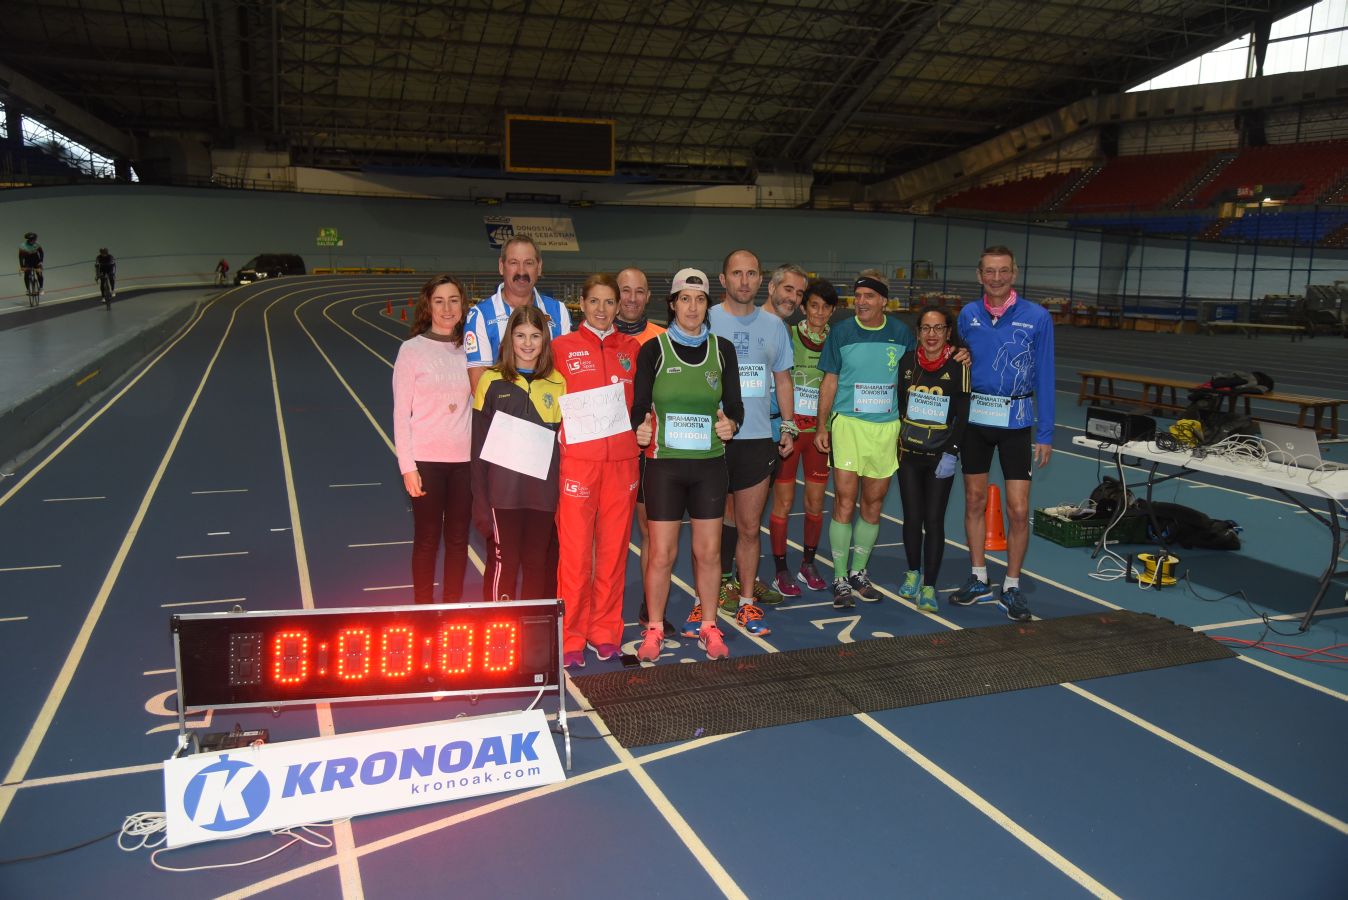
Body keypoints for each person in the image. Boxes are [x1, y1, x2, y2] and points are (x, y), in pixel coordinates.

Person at [630, 268, 743, 662]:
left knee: (708, 553)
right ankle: (655, 628)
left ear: (706, 305)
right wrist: (639, 428)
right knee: (661, 553)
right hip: (664, 466)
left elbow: (735, 406)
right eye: (684, 299)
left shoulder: (723, 350)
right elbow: (639, 406)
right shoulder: (653, 351)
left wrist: (733, 424)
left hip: (710, 465)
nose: (692, 307)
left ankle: (709, 625)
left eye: (699, 300)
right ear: (673, 304)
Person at [950, 246, 1055, 622]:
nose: (997, 277)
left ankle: (1011, 585)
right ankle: (978, 576)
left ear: (1014, 273)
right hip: (975, 422)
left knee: (1018, 509)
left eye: (1004, 271)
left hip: (1016, 422)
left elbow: (1045, 373)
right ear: (979, 275)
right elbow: (957, 363)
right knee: (975, 501)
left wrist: (1045, 432)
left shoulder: (1037, 317)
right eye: (990, 271)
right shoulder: (968, 315)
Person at [552, 273, 641, 669]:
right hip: (578, 465)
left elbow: (643, 404)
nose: (602, 310)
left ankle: (605, 631)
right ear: (582, 305)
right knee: (574, 556)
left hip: (622, 464)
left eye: (610, 302)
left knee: (613, 552)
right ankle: (570, 635)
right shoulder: (561, 348)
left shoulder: (632, 348)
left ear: (618, 306)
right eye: (595, 302)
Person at [706, 249, 794, 637]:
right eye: (737, 273)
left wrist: (788, 426)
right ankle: (705, 602)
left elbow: (783, 379)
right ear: (723, 280)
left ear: (761, 280)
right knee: (710, 527)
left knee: (747, 526)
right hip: (710, 438)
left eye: (752, 273)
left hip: (757, 439)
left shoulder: (775, 326)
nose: (744, 280)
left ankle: (745, 602)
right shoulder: (706, 318)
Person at [814, 270, 914, 609]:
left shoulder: (901, 333)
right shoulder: (841, 333)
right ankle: (840, 577)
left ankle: (859, 571)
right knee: (844, 500)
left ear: (883, 301)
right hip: (848, 426)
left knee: (873, 503)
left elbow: (916, 375)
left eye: (868, 297)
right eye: (857, 297)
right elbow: (829, 382)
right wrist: (821, 425)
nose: (860, 302)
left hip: (886, 429)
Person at [471, 305, 566, 603]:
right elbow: (477, 450)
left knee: (537, 565)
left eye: (535, 336)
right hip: (503, 497)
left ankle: (533, 637)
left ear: (545, 340)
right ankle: (500, 637)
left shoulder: (559, 383)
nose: (527, 343)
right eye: (521, 335)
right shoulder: (491, 380)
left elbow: (565, 445)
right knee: (504, 563)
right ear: (509, 339)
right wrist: (481, 502)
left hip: (542, 497)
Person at [393, 275, 474, 604]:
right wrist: (407, 467)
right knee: (427, 539)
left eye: (454, 300)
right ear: (428, 305)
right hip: (426, 462)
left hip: (465, 463)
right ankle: (423, 610)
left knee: (457, 540)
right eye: (439, 301)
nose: (447, 308)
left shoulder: (472, 350)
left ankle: (452, 607)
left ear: (462, 305)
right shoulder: (411, 351)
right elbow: (401, 413)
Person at [896, 306, 971, 613]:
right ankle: (913, 573)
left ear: (947, 332)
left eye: (938, 328)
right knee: (912, 518)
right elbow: (900, 405)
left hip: (940, 457)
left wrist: (952, 452)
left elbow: (963, 416)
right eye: (926, 328)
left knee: (934, 520)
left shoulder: (959, 365)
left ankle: (929, 586)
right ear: (918, 333)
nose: (931, 334)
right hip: (909, 456)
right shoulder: (906, 361)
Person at [615, 266, 674, 635]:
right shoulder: (597, 335)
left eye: (639, 291)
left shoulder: (665, 338)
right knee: (602, 536)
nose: (632, 298)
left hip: (651, 451)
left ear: (649, 295)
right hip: (607, 450)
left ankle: (649, 609)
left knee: (651, 532)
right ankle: (596, 609)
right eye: (625, 290)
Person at [769, 278, 837, 594]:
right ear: (804, 306)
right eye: (813, 305)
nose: (819, 312)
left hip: (818, 437)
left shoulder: (836, 342)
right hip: (790, 433)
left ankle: (807, 564)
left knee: (814, 503)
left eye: (825, 307)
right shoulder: (789, 335)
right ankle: (781, 569)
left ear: (832, 311)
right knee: (782, 502)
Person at [464, 235, 572, 393]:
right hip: (503, 414)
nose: (521, 271)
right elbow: (479, 384)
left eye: (529, 263)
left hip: (549, 410)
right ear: (501, 266)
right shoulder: (480, 315)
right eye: (513, 263)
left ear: (539, 267)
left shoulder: (558, 311)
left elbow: (565, 373)